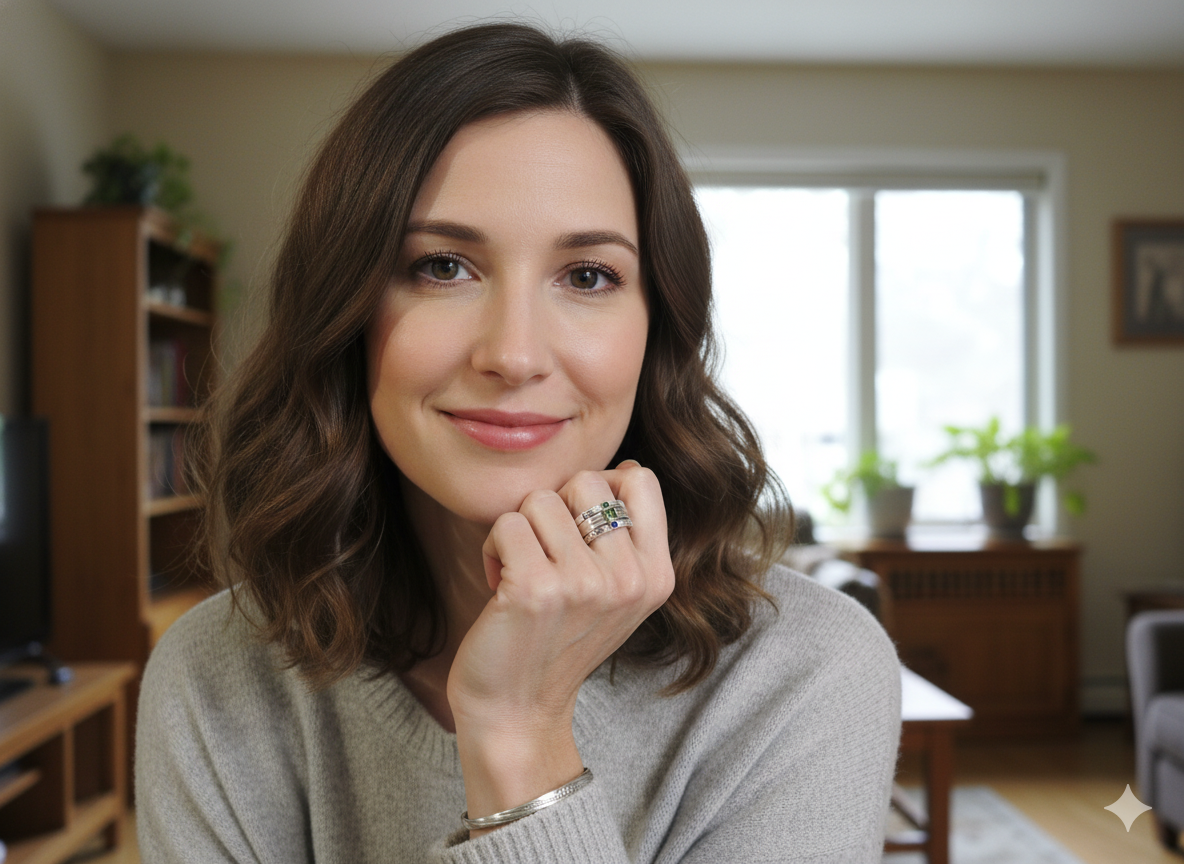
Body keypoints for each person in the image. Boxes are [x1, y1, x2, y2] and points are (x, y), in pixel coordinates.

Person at [136, 22, 901, 863]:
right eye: (442, 266)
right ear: (345, 311)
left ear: (657, 333)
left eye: (587, 276)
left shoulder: (806, 674)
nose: (514, 354)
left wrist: (516, 735)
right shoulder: (214, 677)